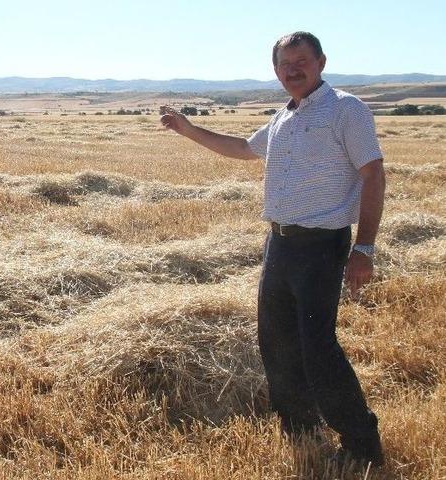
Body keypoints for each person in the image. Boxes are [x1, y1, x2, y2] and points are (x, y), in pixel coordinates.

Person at [159, 31, 386, 467]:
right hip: (279, 244)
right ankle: (301, 427)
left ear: (321, 62)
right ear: (276, 71)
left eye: (301, 60)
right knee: (277, 342)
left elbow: (373, 174)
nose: (293, 69)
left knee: (318, 348)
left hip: (321, 245)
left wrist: (365, 248)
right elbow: (244, 148)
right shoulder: (284, 116)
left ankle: (362, 445)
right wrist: (189, 130)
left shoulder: (346, 110)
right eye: (285, 63)